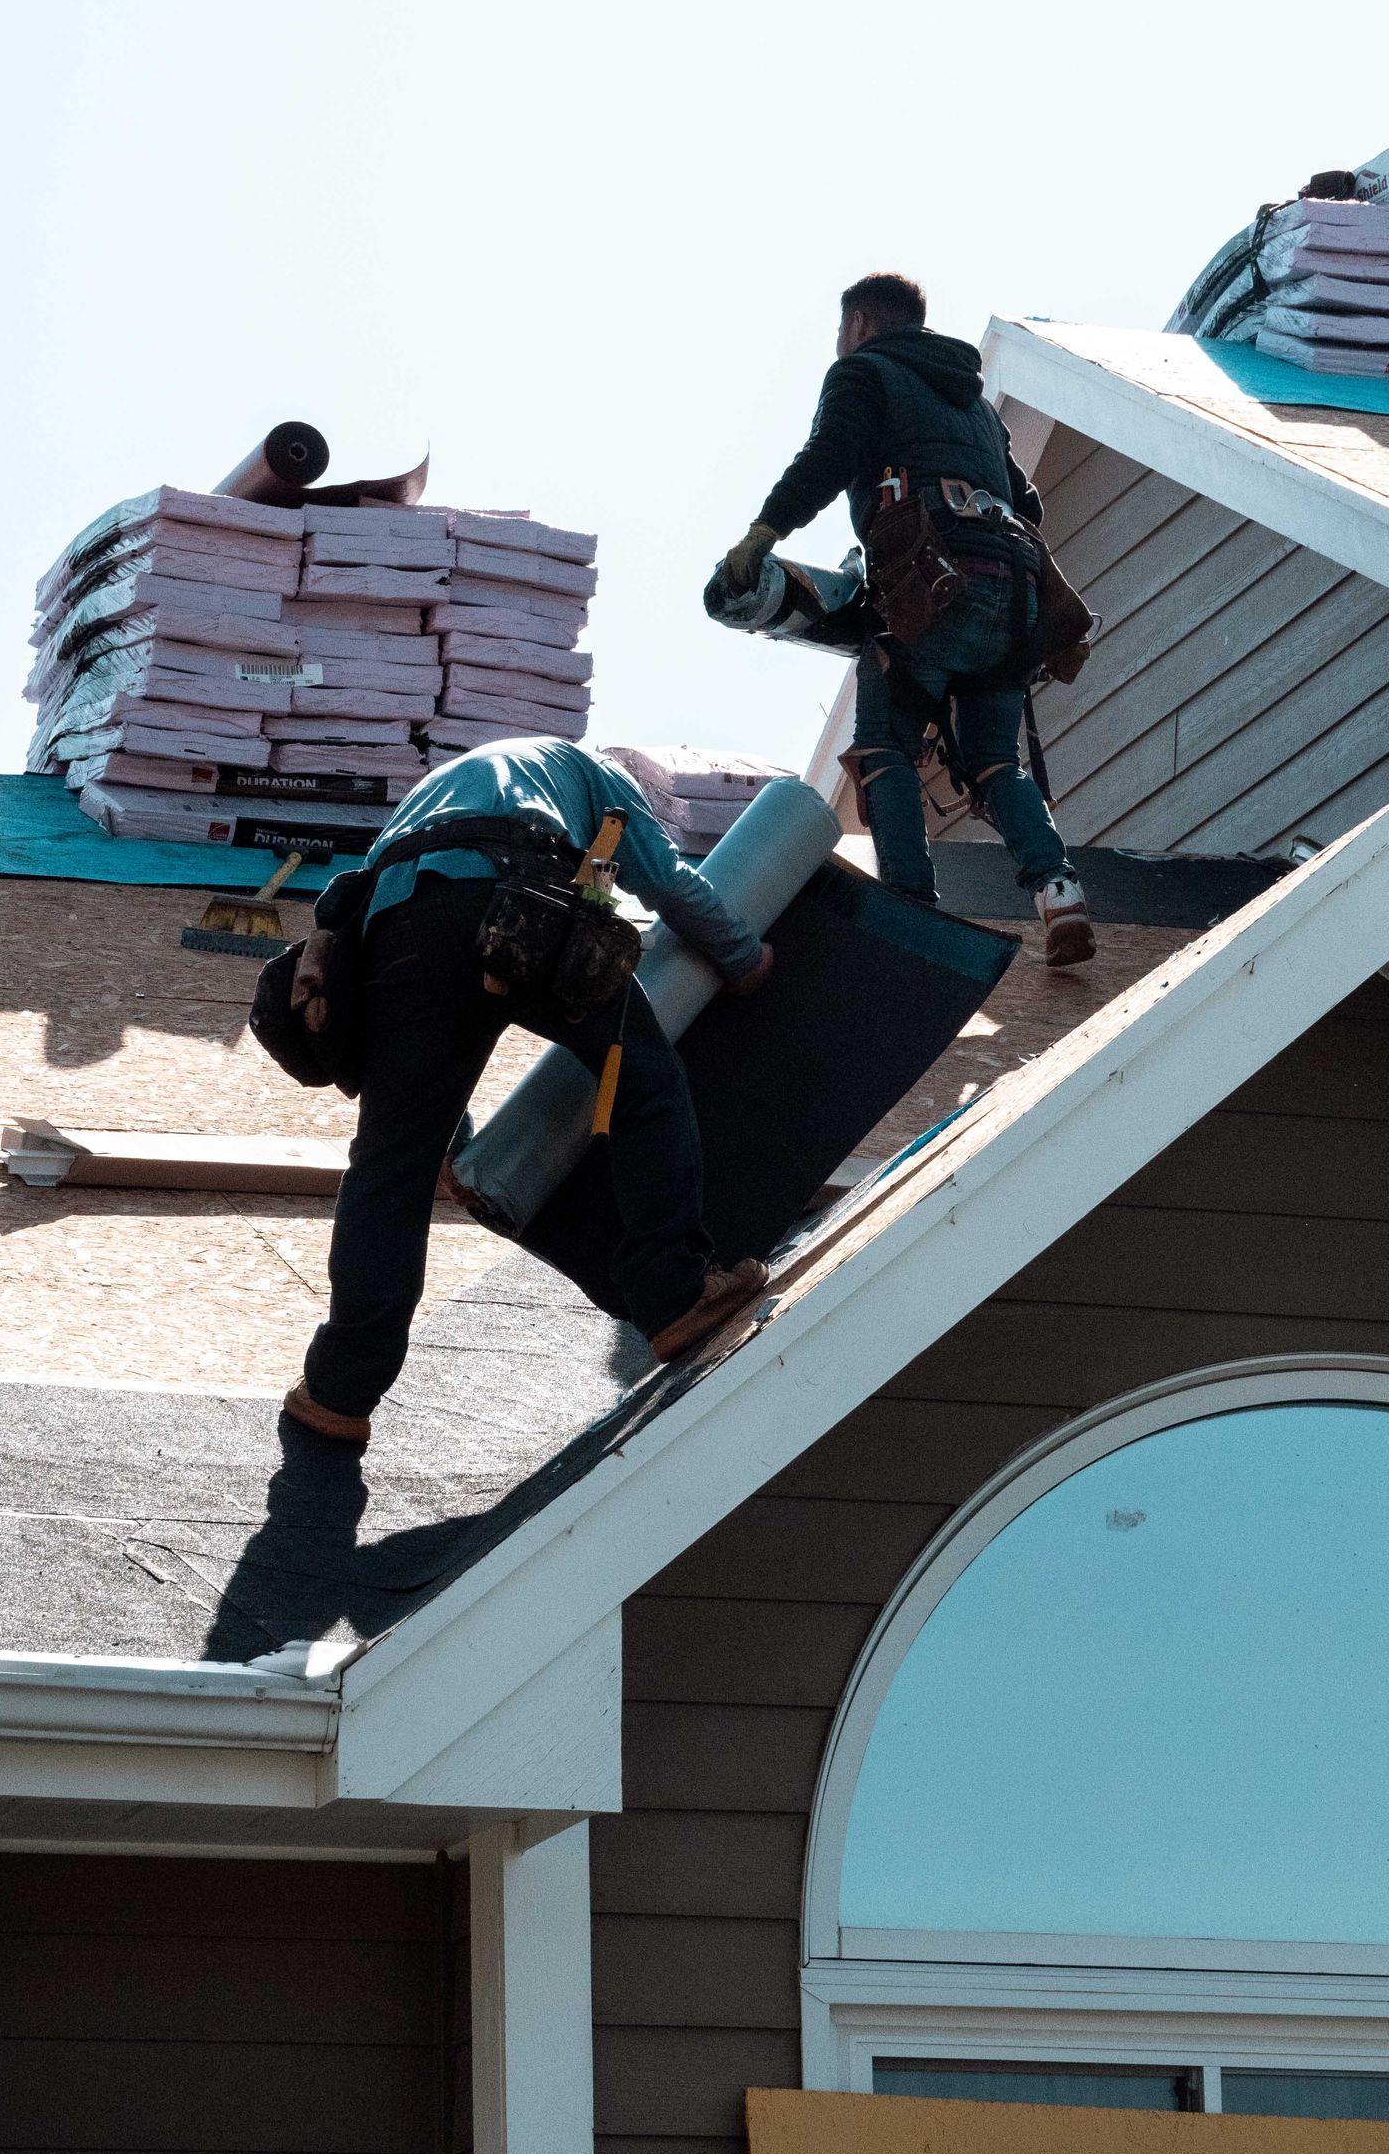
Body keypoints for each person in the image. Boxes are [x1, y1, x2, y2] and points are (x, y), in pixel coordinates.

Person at [281, 738, 775, 1447]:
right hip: (520, 899)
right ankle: (675, 1298)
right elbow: (663, 880)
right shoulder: (595, 772)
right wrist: (742, 957)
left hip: (397, 929)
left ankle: (338, 1393)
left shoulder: (445, 788)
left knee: (389, 1167)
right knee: (643, 1080)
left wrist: (450, 1142)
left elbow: (407, 1008)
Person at [721, 271, 1095, 963]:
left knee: (884, 749)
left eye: (842, 331)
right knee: (992, 763)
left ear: (861, 323)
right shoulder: (975, 405)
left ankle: (909, 912)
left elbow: (827, 458)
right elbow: (1026, 503)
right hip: (1016, 596)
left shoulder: (865, 372)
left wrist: (761, 534)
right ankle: (1059, 892)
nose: (839, 345)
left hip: (930, 587)